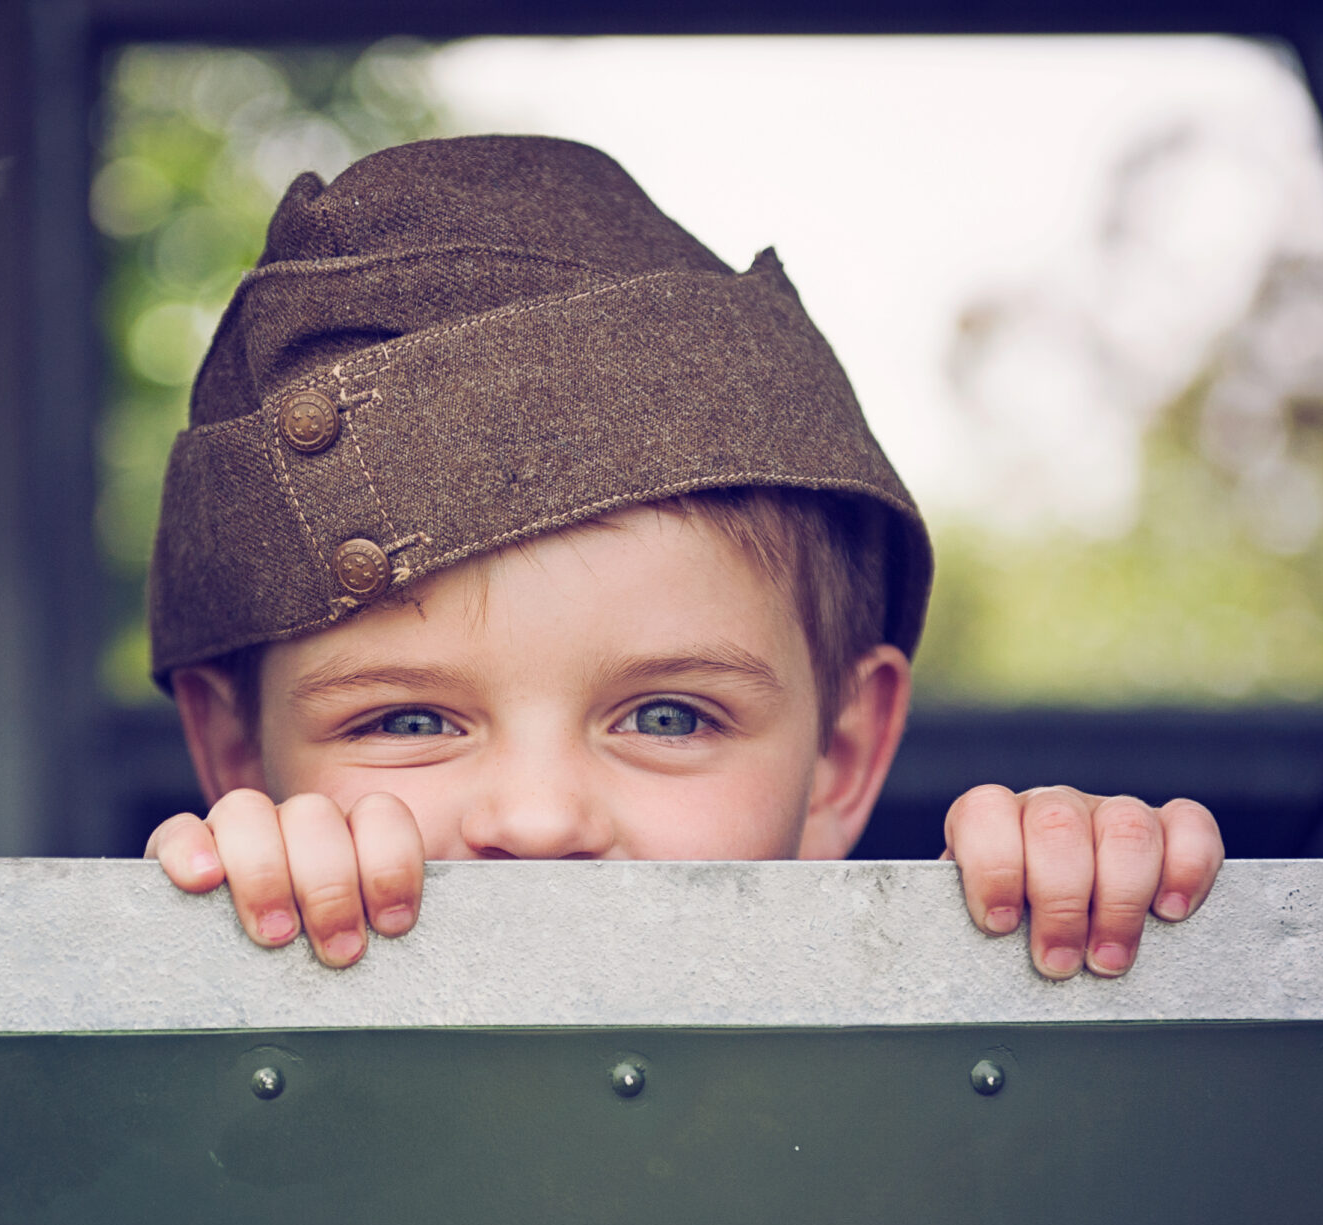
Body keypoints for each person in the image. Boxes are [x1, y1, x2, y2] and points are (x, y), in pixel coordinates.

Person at [141, 135, 1221, 976]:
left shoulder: (961, 996)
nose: (538, 819)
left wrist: (1045, 927)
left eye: (667, 716)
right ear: (237, 753)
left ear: (840, 757)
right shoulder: (200, 1012)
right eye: (407, 722)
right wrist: (197, 950)